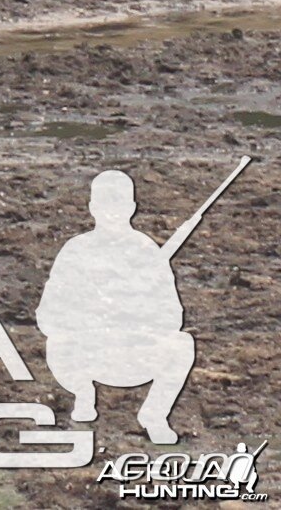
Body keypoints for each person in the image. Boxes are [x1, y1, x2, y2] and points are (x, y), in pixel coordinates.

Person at [39, 169, 201, 445]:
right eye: (105, 205)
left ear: (132, 208)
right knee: (57, 342)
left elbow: (173, 316)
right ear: (92, 208)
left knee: (182, 344)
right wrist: (90, 316)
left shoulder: (147, 251)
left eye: (119, 205)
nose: (112, 212)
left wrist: (136, 313)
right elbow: (47, 315)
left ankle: (154, 414)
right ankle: (82, 393)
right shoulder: (75, 250)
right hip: (87, 356)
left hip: (133, 356)